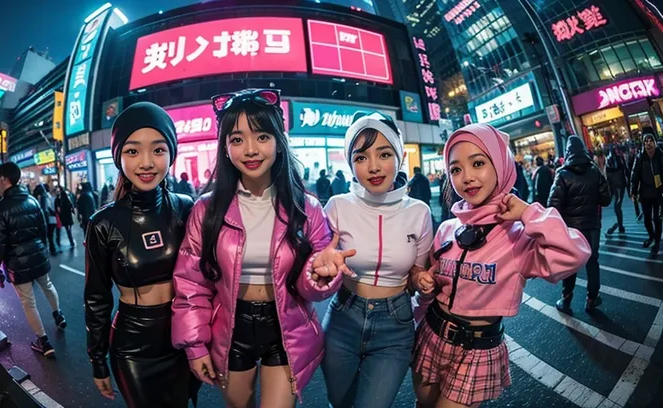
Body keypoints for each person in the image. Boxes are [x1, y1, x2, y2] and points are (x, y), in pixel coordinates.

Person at [172, 88, 332, 407]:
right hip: (230, 327)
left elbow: (313, 290)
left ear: (278, 142)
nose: (250, 149)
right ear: (226, 148)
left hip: (286, 325)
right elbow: (191, 285)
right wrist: (195, 346)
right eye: (236, 139)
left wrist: (321, 274)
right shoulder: (206, 211)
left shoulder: (308, 209)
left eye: (261, 136)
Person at [411, 124, 591, 408]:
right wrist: (424, 281)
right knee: (422, 404)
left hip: (476, 349)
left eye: (478, 163)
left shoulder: (518, 234)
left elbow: (575, 253)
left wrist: (529, 213)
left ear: (501, 165)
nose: (467, 177)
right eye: (455, 169)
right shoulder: (446, 229)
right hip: (431, 333)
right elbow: (429, 280)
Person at [85, 102, 199, 407]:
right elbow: (97, 298)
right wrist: (98, 359)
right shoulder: (102, 223)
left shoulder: (186, 207)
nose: (146, 162)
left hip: (183, 335)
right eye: (133, 151)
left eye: (158, 150)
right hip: (133, 346)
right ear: (119, 156)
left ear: (171, 154)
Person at [316, 112, 433, 408]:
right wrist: (321, 268)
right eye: (361, 157)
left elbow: (418, 272)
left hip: (395, 324)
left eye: (384, 154)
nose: (374, 166)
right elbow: (315, 267)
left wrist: (422, 280)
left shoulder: (418, 212)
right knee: (339, 403)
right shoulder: (336, 206)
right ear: (351, 164)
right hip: (343, 316)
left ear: (399, 156)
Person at [0, 162, 66, 357]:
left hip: (18, 263)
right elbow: (42, 230)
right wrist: (43, 249)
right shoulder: (32, 201)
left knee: (28, 302)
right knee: (47, 285)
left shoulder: (0, 208)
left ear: (5, 180)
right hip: (38, 255)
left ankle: (44, 341)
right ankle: (58, 315)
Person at [548, 136, 611, 312]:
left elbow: (552, 205)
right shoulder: (594, 171)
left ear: (567, 153)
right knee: (593, 261)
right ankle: (592, 298)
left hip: (571, 229)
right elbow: (606, 199)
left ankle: (566, 298)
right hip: (592, 225)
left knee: (571, 263)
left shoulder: (562, 174)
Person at [631, 132, 663, 254]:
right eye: (646, 141)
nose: (648, 143)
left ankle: (657, 241)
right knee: (647, 219)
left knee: (657, 218)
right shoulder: (640, 157)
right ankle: (651, 236)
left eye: (650, 141)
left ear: (654, 143)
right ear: (643, 144)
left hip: (658, 193)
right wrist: (633, 191)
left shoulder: (660, 155)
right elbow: (634, 175)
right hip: (645, 194)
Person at [605, 145, 629, 235]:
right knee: (617, 206)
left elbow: (624, 172)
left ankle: (620, 225)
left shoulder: (616, 160)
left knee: (617, 206)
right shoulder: (617, 160)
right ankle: (620, 225)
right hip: (618, 186)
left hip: (618, 186)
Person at [33, 185, 58, 256]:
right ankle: (52, 250)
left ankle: (49, 250)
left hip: (47, 220)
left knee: (47, 236)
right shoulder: (47, 196)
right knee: (50, 236)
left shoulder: (42, 197)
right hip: (51, 220)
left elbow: (46, 209)